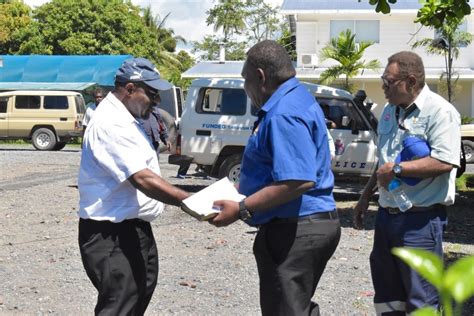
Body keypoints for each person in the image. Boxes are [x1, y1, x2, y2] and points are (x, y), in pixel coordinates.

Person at [209, 40, 341, 316]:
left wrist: (242, 207)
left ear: (260, 76)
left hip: (296, 228)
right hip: (301, 225)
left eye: (245, 80)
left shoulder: (284, 113)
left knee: (286, 310)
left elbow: (297, 180)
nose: (246, 89)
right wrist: (241, 188)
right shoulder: (294, 100)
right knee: (292, 307)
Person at [78, 57, 190, 315]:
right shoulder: (109, 123)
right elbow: (142, 178)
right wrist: (188, 200)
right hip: (111, 234)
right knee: (119, 305)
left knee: (137, 298)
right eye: (151, 93)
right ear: (129, 89)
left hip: (132, 229)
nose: (156, 101)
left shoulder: (127, 118)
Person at [353, 51, 461, 315]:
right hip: (387, 219)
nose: (383, 87)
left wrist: (400, 169)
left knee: (421, 298)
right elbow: (384, 161)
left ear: (410, 81)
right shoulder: (390, 111)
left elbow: (445, 162)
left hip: (420, 223)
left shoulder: (441, 112)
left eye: (388, 82)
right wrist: (366, 196)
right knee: (388, 296)